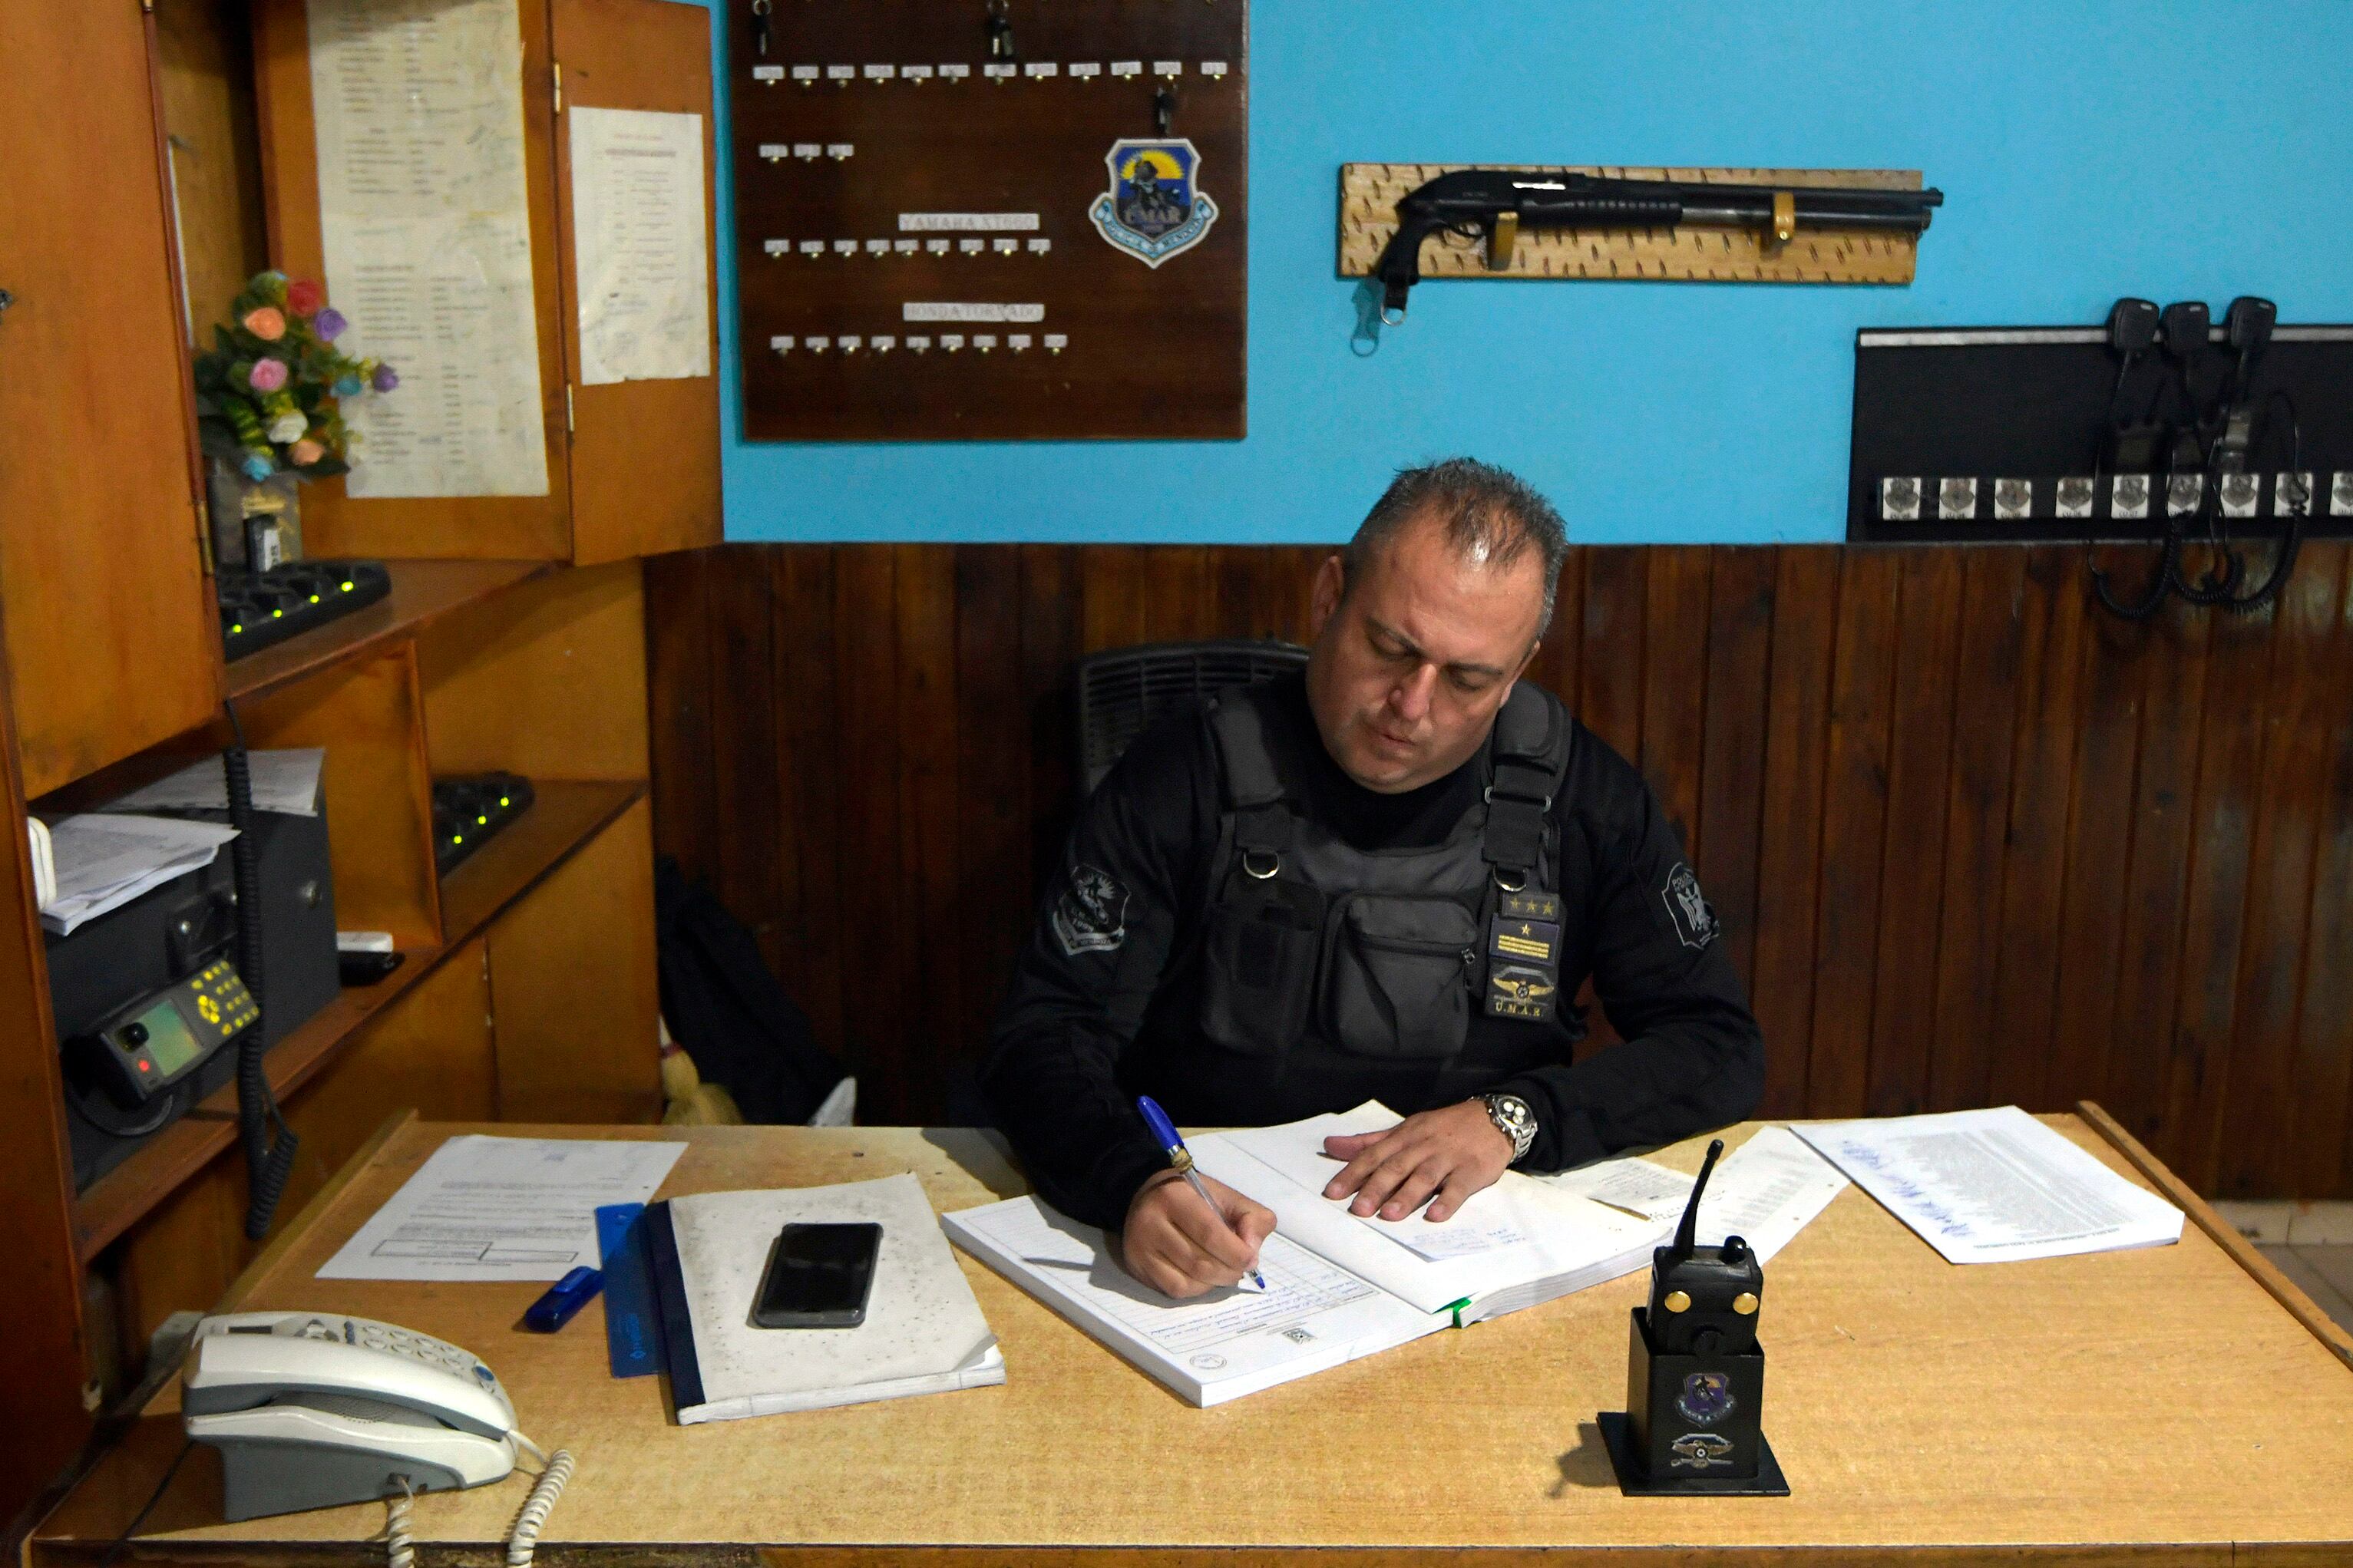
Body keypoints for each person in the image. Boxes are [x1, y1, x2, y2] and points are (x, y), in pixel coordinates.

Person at [983, 459, 1763, 1299]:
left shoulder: (1582, 796)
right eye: (1389, 649)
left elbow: (1714, 1046)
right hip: (1221, 1235)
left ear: (1517, 670)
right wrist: (1132, 1181)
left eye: (1468, 679)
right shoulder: (1188, 772)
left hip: (1480, 1246)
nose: (1411, 705)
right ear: (1329, 598)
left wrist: (1516, 1117)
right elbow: (1046, 1033)